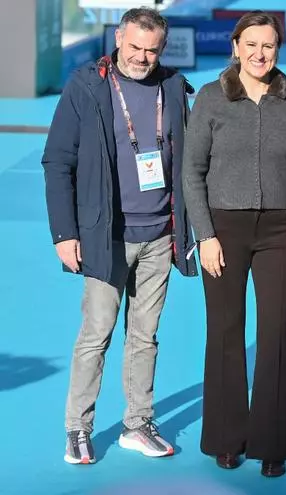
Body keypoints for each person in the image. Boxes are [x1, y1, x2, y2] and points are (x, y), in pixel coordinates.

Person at [42, 7, 198, 465]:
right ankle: (78, 428)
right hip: (104, 236)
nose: (142, 57)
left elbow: (189, 158)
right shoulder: (85, 85)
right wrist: (64, 233)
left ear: (162, 48)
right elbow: (58, 162)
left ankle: (138, 423)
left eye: (151, 50)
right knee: (96, 335)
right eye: (134, 47)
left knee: (145, 337)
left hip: (160, 236)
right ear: (118, 39)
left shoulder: (173, 86)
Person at [182, 11, 286, 477]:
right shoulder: (211, 98)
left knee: (276, 334)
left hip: (280, 231)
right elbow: (192, 172)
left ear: (278, 50)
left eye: (269, 45)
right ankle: (226, 438)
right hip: (224, 230)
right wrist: (205, 236)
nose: (260, 53)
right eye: (251, 44)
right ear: (235, 47)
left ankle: (272, 443)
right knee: (225, 331)